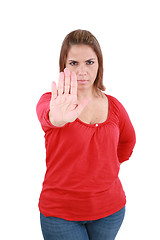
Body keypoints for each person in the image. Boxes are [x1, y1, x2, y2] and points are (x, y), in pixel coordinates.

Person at [36, 29, 136, 240]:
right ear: (63, 65)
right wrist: (58, 118)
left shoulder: (114, 106)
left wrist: (105, 166)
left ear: (99, 64)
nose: (82, 71)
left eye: (89, 62)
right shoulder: (52, 101)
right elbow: (48, 116)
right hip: (60, 214)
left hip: (110, 211)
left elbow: (128, 141)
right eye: (74, 63)